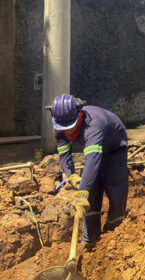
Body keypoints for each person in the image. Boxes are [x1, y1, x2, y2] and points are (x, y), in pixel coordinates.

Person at [48, 94, 128, 248]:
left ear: (79, 115)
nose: (68, 132)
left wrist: (82, 191)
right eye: (64, 128)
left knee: (115, 188)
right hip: (94, 150)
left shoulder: (93, 126)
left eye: (70, 127)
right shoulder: (59, 126)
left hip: (114, 148)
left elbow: (92, 160)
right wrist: (71, 175)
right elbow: (64, 156)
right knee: (91, 194)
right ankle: (90, 239)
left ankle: (113, 234)